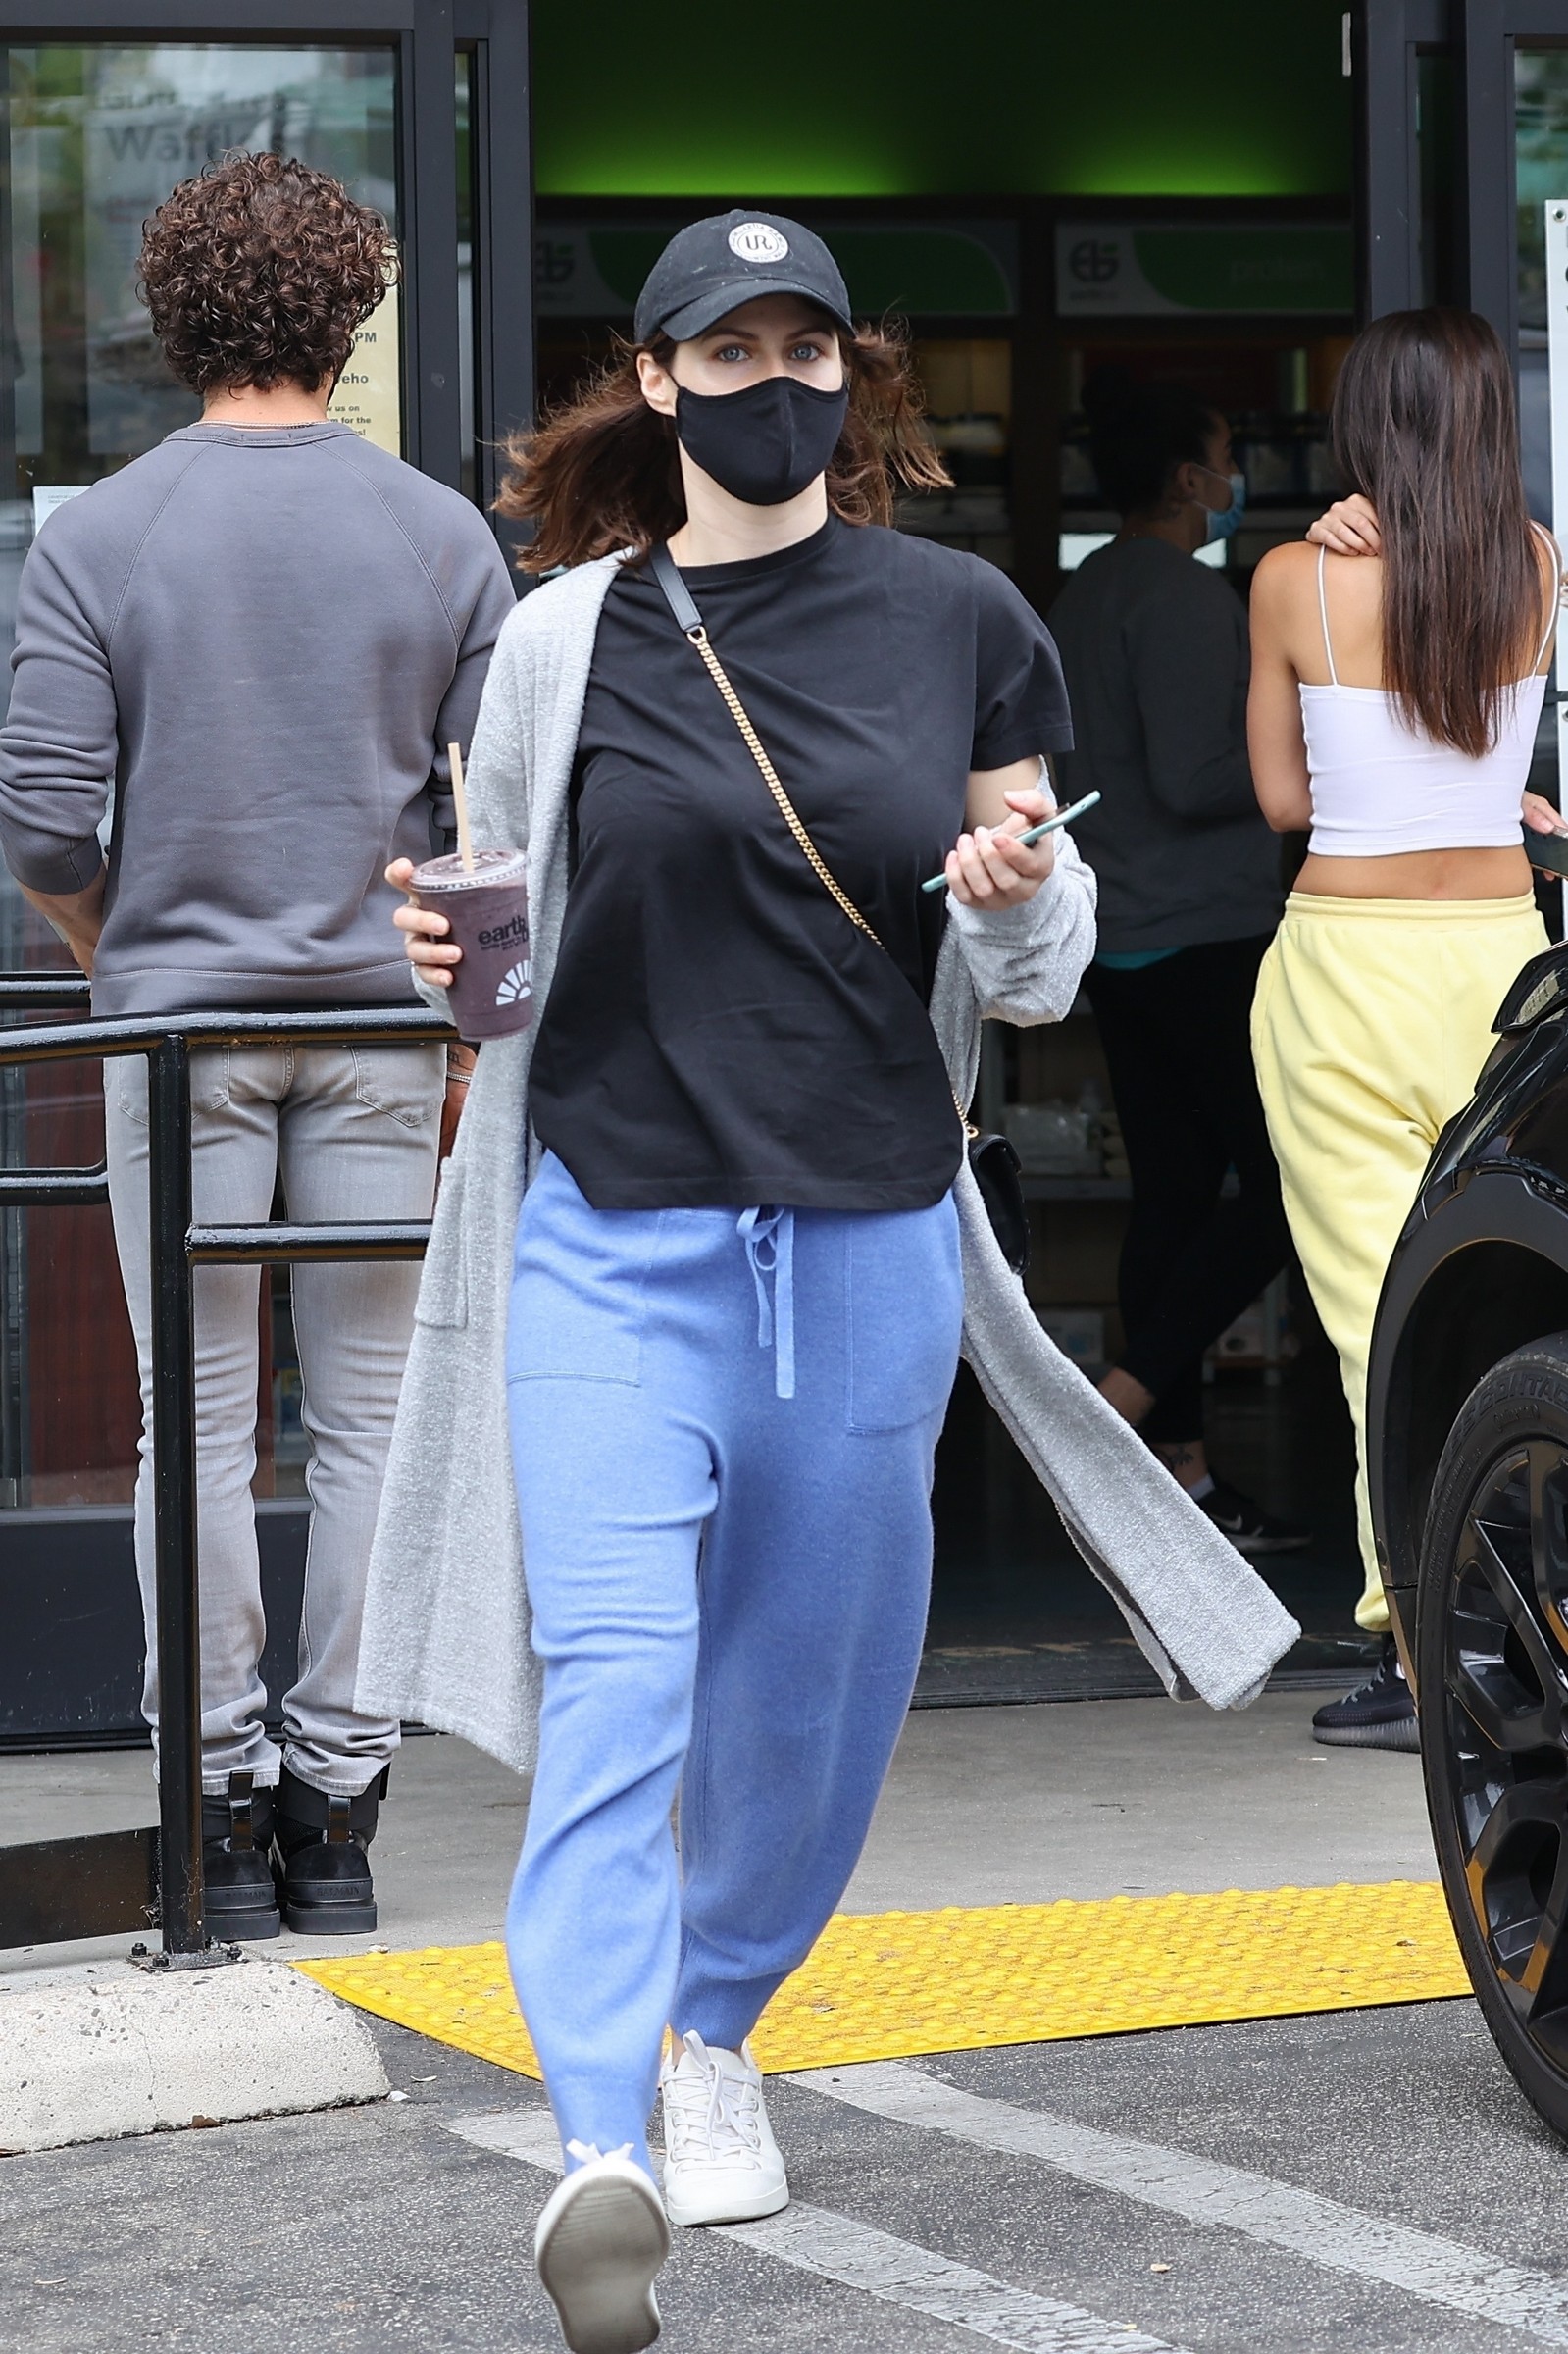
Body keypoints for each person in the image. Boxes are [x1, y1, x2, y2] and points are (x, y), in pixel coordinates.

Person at [353, 210, 1298, 2354]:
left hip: (864, 1240)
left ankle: (712, 2027)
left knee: (809, 1704)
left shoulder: (961, 620)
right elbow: (499, 953)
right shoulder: (561, 640)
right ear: (657, 380)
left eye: (804, 347)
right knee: (615, 1686)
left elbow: (1034, 969)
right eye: (728, 348)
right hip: (610, 1235)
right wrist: (439, 961)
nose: (769, 380)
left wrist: (1014, 892)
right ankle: (598, 2137)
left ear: (842, 377)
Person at [0, 152, 516, 1933]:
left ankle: (213, 1812)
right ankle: (339, 1818)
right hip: (380, 1023)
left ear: (172, 319)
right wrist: (460, 1010)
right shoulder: (440, 534)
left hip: (180, 1038)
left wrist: (114, 951)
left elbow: (43, 823)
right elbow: (487, 827)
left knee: (197, 1425)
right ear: (349, 315)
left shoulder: (102, 533)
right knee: (371, 1420)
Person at [1248, 305, 1564, 1752]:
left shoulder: (1293, 581)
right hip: (1501, 963)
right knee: (1512, 1294)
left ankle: (1421, 1650)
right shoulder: (1537, 565)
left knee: (1376, 1320)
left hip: (1344, 970)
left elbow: (1281, 799)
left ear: (1362, 425)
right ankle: (1526, 1611)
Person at [1048, 375, 1302, 1555]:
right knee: (1285, 1187)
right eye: (1225, 455)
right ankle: (1126, 1401)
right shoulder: (1190, 600)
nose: (1234, 475)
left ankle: (1181, 1473)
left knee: (1173, 1195)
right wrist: (1312, 751)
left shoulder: (1083, 591)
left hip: (1122, 935)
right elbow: (1201, 778)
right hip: (1207, 933)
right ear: (1189, 479)